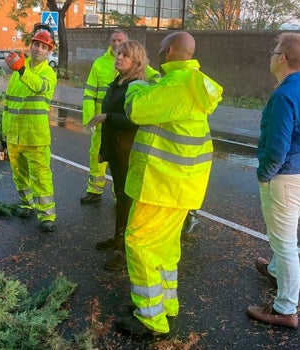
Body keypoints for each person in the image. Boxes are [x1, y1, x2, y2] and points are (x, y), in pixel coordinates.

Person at [115, 31, 223, 336]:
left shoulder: (178, 84)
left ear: (171, 50)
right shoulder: (186, 82)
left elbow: (137, 110)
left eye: (162, 49)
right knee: (164, 248)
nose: (159, 53)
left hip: (161, 185)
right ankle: (165, 304)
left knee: (139, 243)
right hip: (177, 185)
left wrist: (136, 85)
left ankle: (150, 318)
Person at [246, 33, 300, 329]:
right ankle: (276, 270)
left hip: (287, 177)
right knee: (282, 235)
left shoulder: (283, 95)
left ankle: (285, 309)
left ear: (282, 58)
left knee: (285, 243)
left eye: (274, 50)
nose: (271, 54)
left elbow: (278, 146)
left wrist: (264, 174)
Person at [86, 40, 157, 271]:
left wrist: (107, 117)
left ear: (135, 61)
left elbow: (132, 120)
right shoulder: (118, 82)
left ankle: (126, 252)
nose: (118, 58)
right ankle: (118, 239)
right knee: (120, 196)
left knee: (127, 201)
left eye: (124, 55)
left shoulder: (137, 85)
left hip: (129, 151)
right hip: (116, 150)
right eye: (118, 54)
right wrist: (105, 151)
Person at [80, 30, 161, 208]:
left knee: (122, 170)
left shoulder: (135, 64)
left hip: (118, 125)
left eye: (120, 41)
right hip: (101, 124)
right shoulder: (99, 64)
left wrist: (152, 94)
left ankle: (121, 200)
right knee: (97, 159)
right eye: (114, 41)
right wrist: (89, 119)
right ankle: (95, 191)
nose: (117, 45)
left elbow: (156, 78)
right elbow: (89, 93)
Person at [2, 30, 58, 233]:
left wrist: (22, 69)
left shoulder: (48, 73)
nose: (39, 49)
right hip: (15, 135)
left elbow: (40, 87)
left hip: (35, 136)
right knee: (19, 175)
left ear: (48, 51)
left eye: (44, 47)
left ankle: (47, 215)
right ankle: (27, 204)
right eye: (36, 44)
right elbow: (8, 105)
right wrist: (4, 133)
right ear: (31, 45)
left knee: (41, 177)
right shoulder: (18, 74)